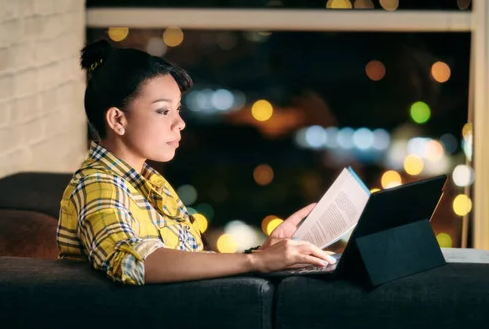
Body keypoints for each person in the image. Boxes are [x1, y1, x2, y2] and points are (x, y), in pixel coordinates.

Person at [56, 40, 336, 285]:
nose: (179, 123)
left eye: (177, 110)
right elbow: (135, 263)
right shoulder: (98, 185)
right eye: (163, 111)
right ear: (118, 119)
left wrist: (262, 253)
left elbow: (185, 264)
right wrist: (256, 263)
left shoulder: (148, 183)